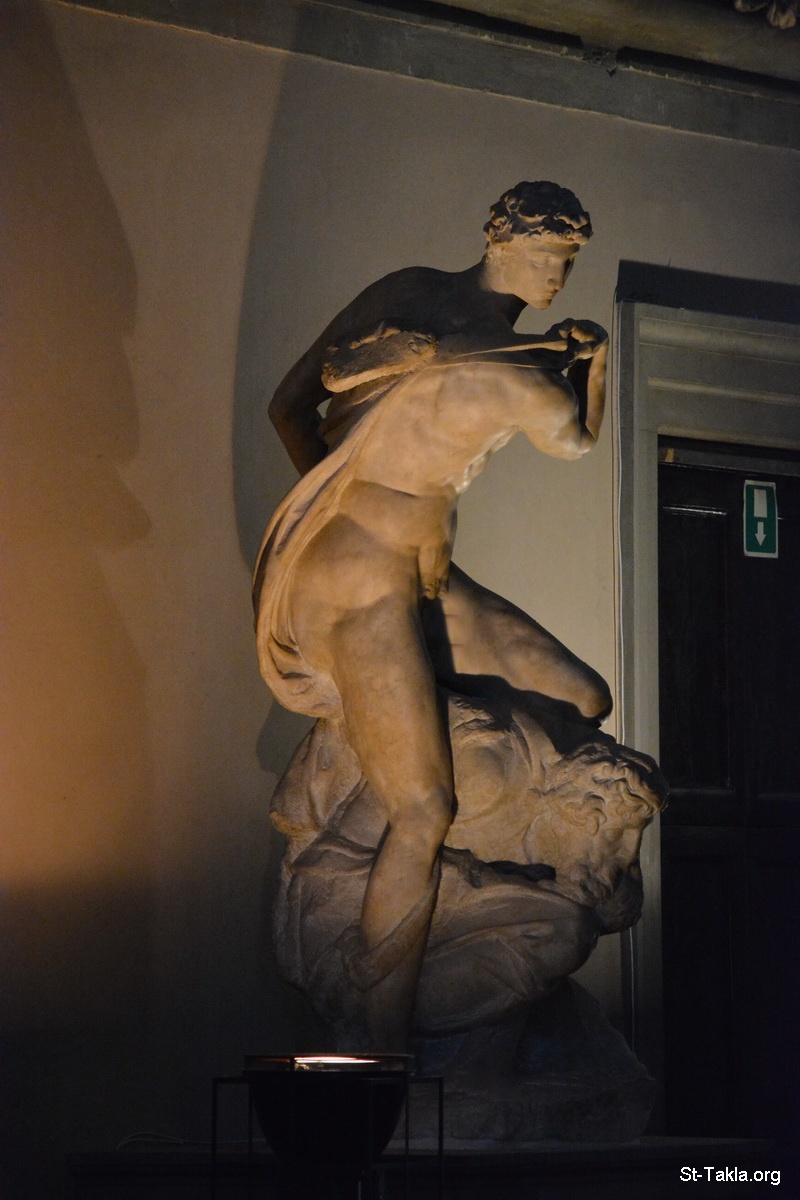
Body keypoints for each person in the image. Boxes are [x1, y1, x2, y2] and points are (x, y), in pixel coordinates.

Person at [254, 181, 611, 1048]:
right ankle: (380, 1053)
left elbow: (576, 440)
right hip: (355, 577)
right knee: (422, 809)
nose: (557, 275)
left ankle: (478, 880)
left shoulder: (525, 361)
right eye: (546, 254)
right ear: (500, 241)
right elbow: (291, 403)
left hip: (426, 578)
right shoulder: (413, 299)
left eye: (568, 260)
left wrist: (586, 361)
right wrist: (342, 499)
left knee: (583, 700)